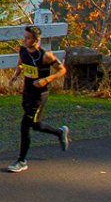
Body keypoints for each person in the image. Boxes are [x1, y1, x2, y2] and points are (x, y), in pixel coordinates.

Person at [4, 24, 69, 172]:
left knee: (25, 125)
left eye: (28, 38)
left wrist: (46, 80)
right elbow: (21, 64)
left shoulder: (45, 55)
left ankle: (21, 161)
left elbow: (62, 70)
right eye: (24, 37)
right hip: (27, 92)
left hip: (40, 95)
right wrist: (15, 75)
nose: (25, 40)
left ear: (37, 40)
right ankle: (59, 132)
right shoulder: (23, 50)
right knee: (35, 124)